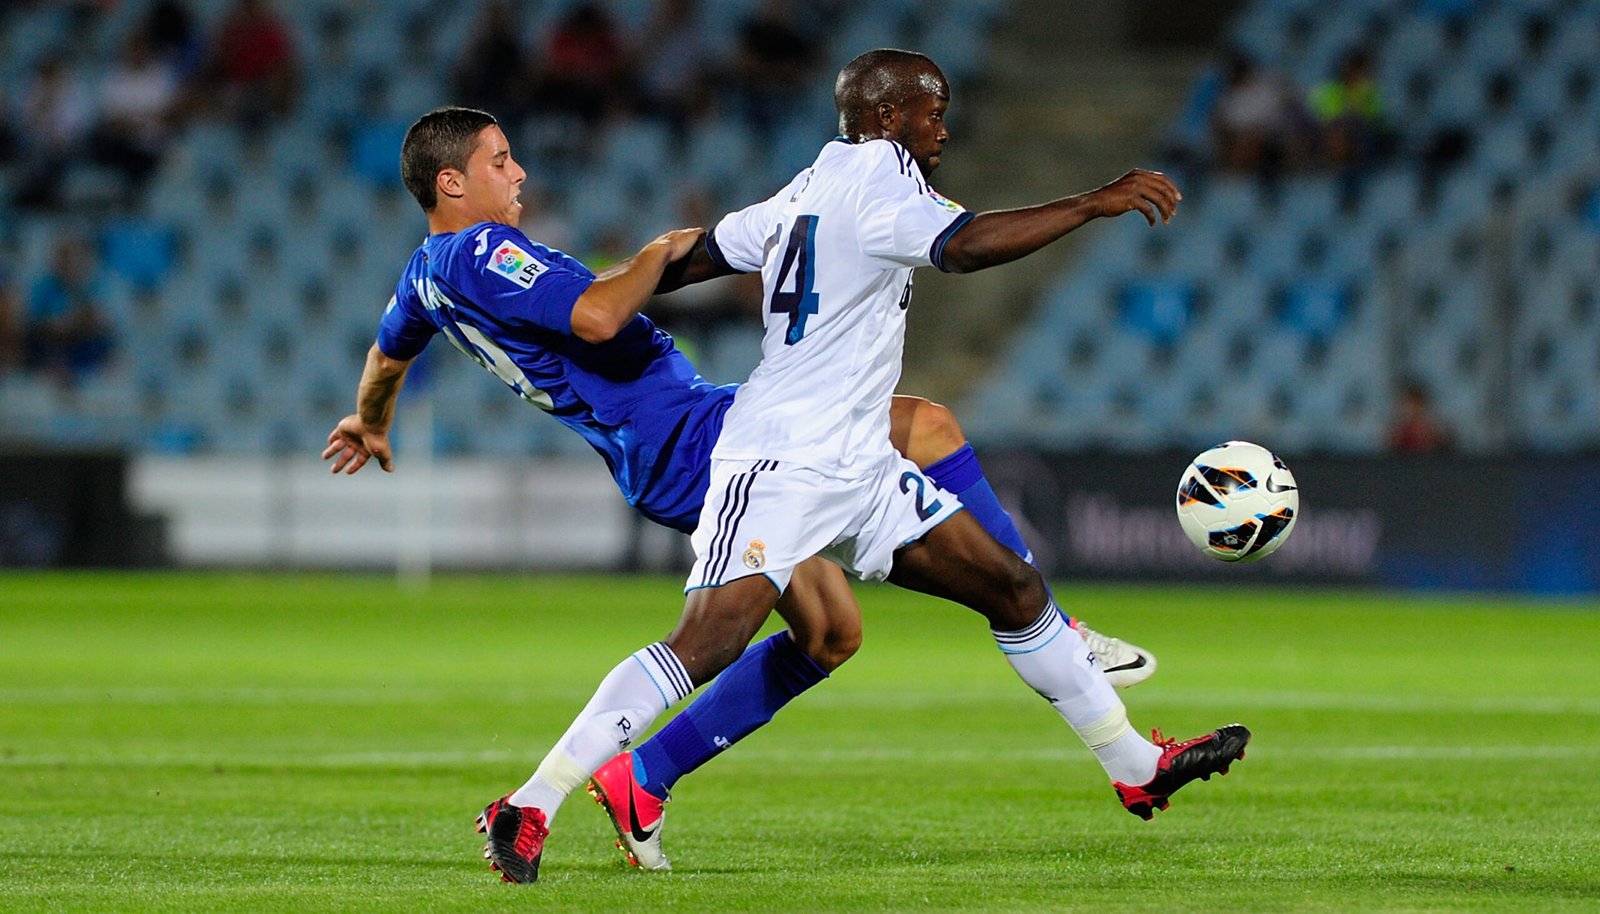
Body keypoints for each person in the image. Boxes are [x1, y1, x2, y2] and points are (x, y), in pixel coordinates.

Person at [323, 104, 1163, 881]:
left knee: (832, 632)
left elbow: (387, 355)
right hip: (691, 438)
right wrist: (654, 254)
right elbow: (594, 318)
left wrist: (369, 422)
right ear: (451, 183)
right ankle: (1059, 629)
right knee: (923, 432)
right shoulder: (479, 250)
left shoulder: (423, 276)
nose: (521, 175)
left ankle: (642, 779)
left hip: (672, 440)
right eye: (501, 162)